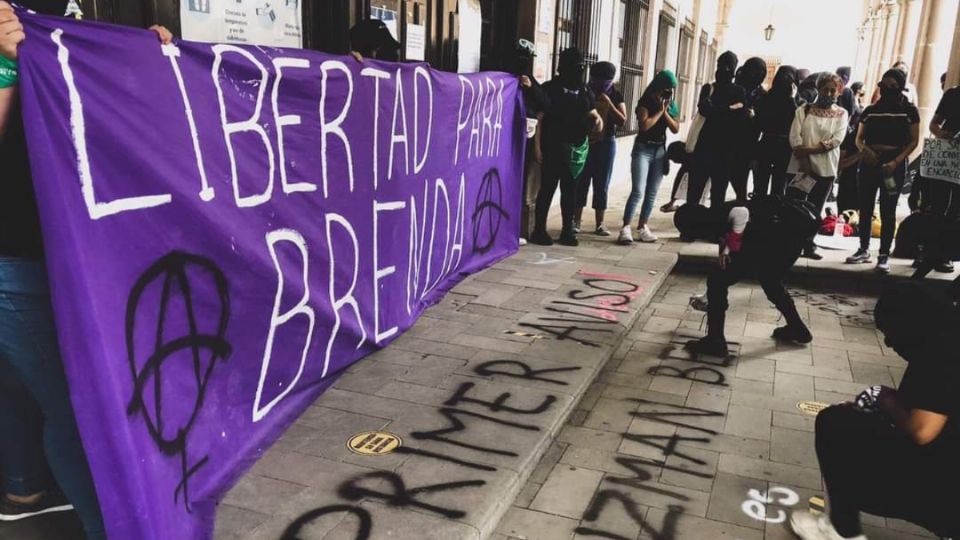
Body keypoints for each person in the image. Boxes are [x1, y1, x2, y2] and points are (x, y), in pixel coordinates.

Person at [0, 3, 173, 539]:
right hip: (18, 257)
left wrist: (139, 54)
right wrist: (6, 69)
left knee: (64, 399)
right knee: (79, 416)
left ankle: (28, 483)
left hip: (83, 252)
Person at [790, 281, 960, 540]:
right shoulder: (945, 332)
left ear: (911, 324)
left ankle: (841, 530)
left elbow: (922, 431)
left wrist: (885, 400)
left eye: (890, 332)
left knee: (835, 422)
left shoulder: (941, 352)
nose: (889, 343)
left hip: (945, 481)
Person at [684, 195, 818, 356]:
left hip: (779, 237)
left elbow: (741, 216)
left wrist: (729, 253)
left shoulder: (719, 214)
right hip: (790, 238)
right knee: (770, 279)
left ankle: (715, 341)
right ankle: (797, 329)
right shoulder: (715, 218)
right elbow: (725, 252)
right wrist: (708, 297)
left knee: (717, 281)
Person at [845, 68, 920, 273]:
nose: (887, 89)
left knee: (888, 210)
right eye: (883, 85)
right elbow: (859, 137)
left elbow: (913, 141)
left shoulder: (909, 111)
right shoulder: (871, 110)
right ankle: (863, 248)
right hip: (870, 160)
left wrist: (895, 162)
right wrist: (865, 150)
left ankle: (884, 254)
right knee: (866, 206)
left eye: (892, 86)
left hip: (892, 163)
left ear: (900, 87)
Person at [530, 47, 603, 247]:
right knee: (547, 190)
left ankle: (567, 231)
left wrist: (597, 125)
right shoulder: (550, 88)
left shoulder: (584, 90)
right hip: (552, 148)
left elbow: (594, 115)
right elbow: (539, 119)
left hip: (574, 151)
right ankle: (539, 230)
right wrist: (537, 148)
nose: (579, 71)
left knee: (570, 192)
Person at [786, 72, 848, 260]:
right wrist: (803, 158)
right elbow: (795, 136)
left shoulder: (841, 114)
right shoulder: (803, 111)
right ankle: (791, 244)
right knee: (795, 207)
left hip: (825, 168)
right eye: (825, 90)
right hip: (800, 167)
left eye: (833, 91)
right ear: (818, 89)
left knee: (815, 208)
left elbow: (836, 139)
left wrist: (810, 151)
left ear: (838, 93)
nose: (829, 94)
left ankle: (808, 243)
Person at [618, 69, 679, 244]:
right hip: (642, 149)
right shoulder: (644, 102)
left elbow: (675, 128)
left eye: (671, 89)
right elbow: (644, 126)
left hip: (659, 151)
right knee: (638, 190)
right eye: (665, 88)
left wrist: (666, 111)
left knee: (652, 192)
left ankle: (642, 226)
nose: (668, 92)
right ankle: (625, 227)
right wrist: (660, 111)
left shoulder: (670, 104)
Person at [908, 74, 960, 273]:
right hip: (946, 156)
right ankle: (928, 251)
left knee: (956, 210)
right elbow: (934, 124)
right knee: (935, 207)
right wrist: (942, 134)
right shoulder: (953, 95)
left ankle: (944, 254)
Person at [686, 51, 747, 209]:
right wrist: (729, 109)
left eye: (727, 66)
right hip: (707, 147)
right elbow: (704, 109)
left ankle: (709, 227)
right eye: (721, 65)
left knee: (716, 192)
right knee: (697, 190)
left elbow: (740, 117)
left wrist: (718, 110)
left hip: (724, 149)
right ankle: (692, 225)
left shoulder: (739, 91)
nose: (723, 69)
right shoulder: (709, 88)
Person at [574, 61, 626, 237]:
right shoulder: (585, 91)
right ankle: (576, 221)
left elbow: (622, 120)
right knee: (581, 180)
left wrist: (609, 104)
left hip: (606, 143)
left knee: (602, 183)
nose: (601, 83)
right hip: (586, 140)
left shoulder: (616, 95)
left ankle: (600, 223)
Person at [510, 39, 550, 240]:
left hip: (524, 140)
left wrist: (529, 87)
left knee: (519, 183)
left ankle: (515, 229)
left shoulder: (529, 80)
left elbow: (544, 102)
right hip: (504, 139)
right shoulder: (502, 77)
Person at [753, 65, 798, 197]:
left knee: (771, 184)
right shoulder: (768, 99)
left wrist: (791, 99)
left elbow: (797, 121)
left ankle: (766, 213)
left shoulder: (767, 98)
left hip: (776, 144)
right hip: (776, 144)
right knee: (769, 184)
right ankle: (766, 213)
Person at [729, 57, 767, 202]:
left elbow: (765, 120)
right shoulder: (736, 88)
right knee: (730, 173)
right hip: (730, 136)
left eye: (762, 71)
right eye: (756, 71)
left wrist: (754, 116)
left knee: (742, 172)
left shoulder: (762, 95)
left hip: (750, 140)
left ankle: (742, 200)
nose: (759, 74)